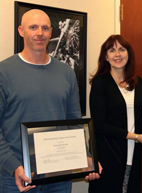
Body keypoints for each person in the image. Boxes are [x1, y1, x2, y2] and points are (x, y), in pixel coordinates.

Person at [0, 9, 100, 193]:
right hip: (16, 176)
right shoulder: (4, 72)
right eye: (33, 27)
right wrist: (13, 166)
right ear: (21, 31)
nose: (40, 33)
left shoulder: (66, 73)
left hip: (58, 175)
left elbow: (74, 122)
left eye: (45, 28)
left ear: (51, 33)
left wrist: (84, 156)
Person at [89, 35, 142, 193]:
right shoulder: (100, 83)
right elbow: (99, 124)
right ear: (106, 57)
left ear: (129, 54)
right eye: (112, 50)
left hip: (133, 153)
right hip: (108, 154)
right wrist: (136, 137)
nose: (117, 54)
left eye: (122, 49)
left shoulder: (138, 82)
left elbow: (127, 118)